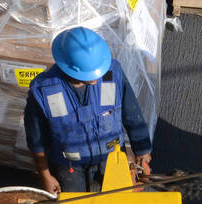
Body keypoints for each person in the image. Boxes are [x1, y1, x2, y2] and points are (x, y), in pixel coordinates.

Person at [24, 26, 153, 195]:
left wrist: (142, 154)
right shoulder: (43, 90)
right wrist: (45, 175)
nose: (95, 78)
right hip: (69, 164)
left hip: (112, 157)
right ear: (68, 67)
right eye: (89, 75)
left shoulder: (112, 73)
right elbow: (36, 139)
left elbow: (132, 114)